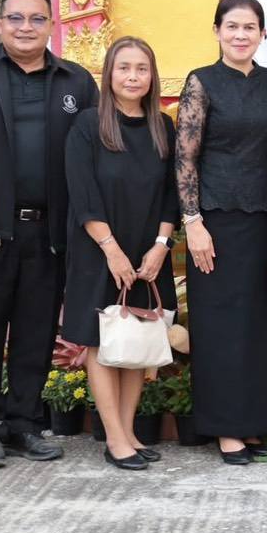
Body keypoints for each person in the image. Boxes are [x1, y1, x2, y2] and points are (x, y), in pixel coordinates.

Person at [0, 0, 98, 470]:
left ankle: (26, 424)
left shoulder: (75, 82)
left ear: (51, 25)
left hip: (50, 232)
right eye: (16, 18)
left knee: (35, 334)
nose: (26, 27)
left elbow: (91, 155)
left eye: (36, 19)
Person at [176, 0, 267, 466]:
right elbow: (185, 157)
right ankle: (225, 429)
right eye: (232, 26)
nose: (241, 35)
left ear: (262, 33)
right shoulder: (202, 82)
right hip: (214, 223)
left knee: (258, 326)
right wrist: (193, 222)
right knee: (220, 325)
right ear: (218, 30)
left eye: (250, 27)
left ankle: (254, 422)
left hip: (263, 219)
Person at [61, 37, 179, 471]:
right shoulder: (89, 125)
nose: (133, 77)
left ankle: (128, 431)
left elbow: (173, 194)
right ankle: (113, 437)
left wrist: (161, 247)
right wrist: (110, 249)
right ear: (109, 74)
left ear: (152, 76)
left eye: (142, 69)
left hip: (149, 252)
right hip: (99, 249)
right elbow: (82, 192)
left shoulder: (163, 127)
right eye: (124, 68)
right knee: (101, 342)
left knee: (137, 340)